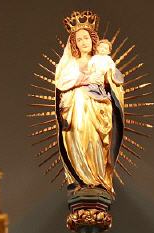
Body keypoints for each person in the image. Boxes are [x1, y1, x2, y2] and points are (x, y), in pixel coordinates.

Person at [55, 13, 124, 194]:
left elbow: (114, 83)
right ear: (74, 43)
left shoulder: (102, 61)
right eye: (79, 39)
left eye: (86, 37)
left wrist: (108, 78)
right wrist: (84, 79)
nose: (83, 42)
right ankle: (81, 176)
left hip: (98, 107)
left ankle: (97, 177)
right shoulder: (69, 64)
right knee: (78, 135)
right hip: (75, 109)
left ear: (93, 39)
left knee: (95, 140)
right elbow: (61, 84)